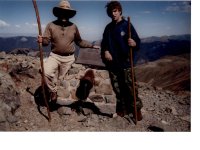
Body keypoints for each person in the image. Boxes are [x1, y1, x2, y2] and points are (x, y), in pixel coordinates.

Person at [38, 0, 99, 102]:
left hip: (69, 58)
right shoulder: (51, 25)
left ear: (69, 14)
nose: (64, 14)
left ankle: (59, 94)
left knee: (61, 80)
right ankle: (53, 91)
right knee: (45, 72)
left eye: (66, 12)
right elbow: (46, 42)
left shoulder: (73, 27)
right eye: (62, 11)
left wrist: (91, 46)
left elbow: (79, 41)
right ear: (58, 13)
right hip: (54, 56)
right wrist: (41, 40)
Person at [101, 1, 143, 121]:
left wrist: (134, 43)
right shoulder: (108, 28)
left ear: (120, 11)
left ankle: (136, 110)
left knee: (131, 88)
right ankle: (122, 109)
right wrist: (106, 51)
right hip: (113, 64)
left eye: (115, 11)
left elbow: (137, 42)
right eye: (111, 12)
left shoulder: (127, 25)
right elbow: (104, 43)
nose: (113, 14)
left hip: (126, 63)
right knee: (117, 88)